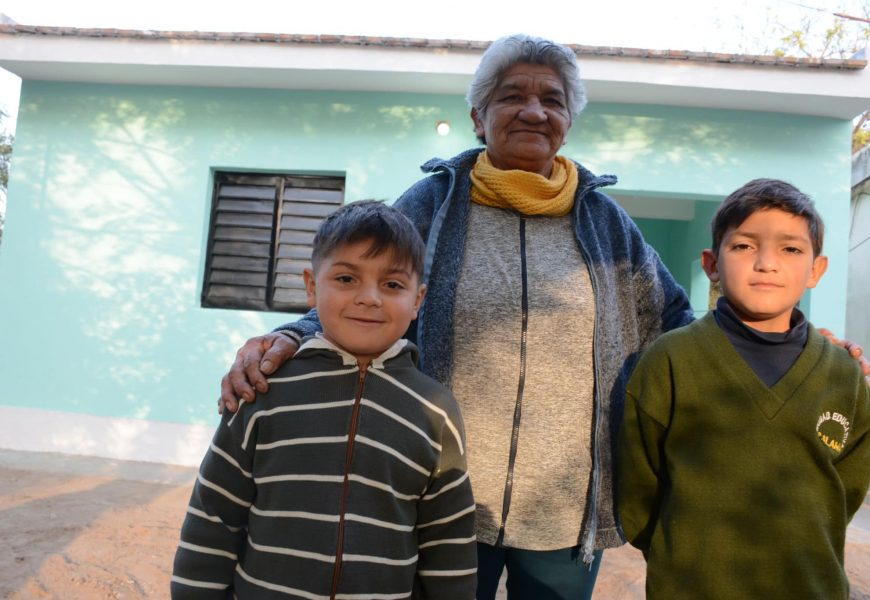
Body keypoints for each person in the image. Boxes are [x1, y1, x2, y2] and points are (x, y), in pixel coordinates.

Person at [218, 35, 868, 599]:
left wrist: (790, 344)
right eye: (512, 95)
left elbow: (680, 317)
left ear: (568, 121)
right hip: (442, 494)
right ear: (479, 115)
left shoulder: (606, 223)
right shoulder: (433, 205)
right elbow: (362, 285)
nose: (533, 109)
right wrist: (290, 334)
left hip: (564, 506)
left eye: (552, 99)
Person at [172, 201, 476, 599]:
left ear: (418, 301)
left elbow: (447, 541)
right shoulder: (264, 390)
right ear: (312, 287)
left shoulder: (435, 410)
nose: (370, 298)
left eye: (392, 285)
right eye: (347, 278)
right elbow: (213, 517)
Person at [618, 179, 870, 600]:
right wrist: (679, 555)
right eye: (744, 246)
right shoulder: (670, 360)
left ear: (816, 270)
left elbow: (844, 492)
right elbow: (638, 485)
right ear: (712, 264)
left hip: (811, 587)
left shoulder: (843, 374)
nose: (767, 263)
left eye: (790, 249)